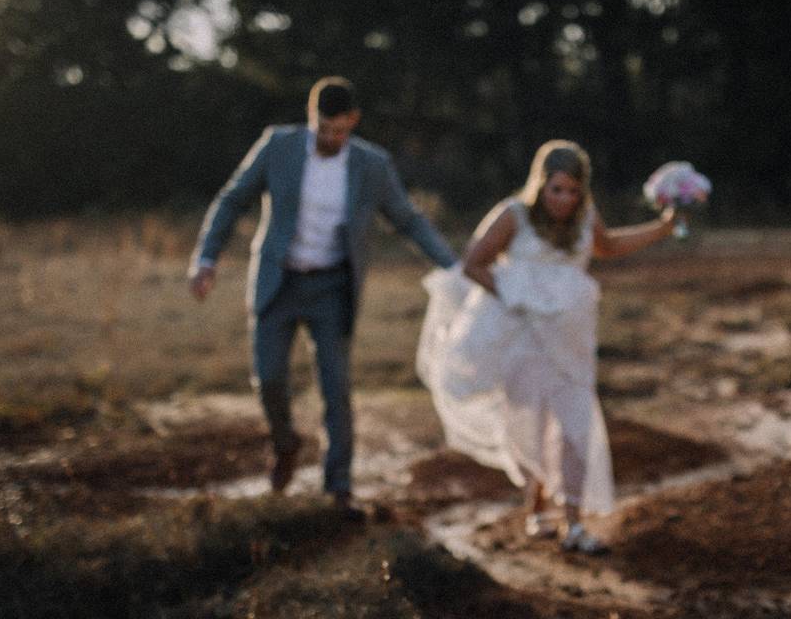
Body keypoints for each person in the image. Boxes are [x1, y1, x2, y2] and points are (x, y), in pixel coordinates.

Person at [189, 76, 457, 515]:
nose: (331, 138)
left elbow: (408, 220)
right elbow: (232, 199)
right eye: (323, 129)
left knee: (336, 386)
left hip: (332, 287)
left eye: (340, 130)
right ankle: (286, 443)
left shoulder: (372, 164)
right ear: (311, 118)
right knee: (269, 379)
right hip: (279, 281)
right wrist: (206, 259)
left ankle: (339, 489)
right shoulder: (278, 146)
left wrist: (454, 268)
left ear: (353, 121)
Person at [417, 140, 676, 552]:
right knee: (532, 427)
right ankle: (536, 508)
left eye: (572, 191)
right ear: (541, 185)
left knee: (576, 425)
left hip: (571, 342)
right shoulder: (514, 215)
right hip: (523, 341)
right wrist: (515, 297)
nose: (564, 199)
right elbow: (473, 262)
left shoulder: (585, 218)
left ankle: (574, 524)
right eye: (557, 189)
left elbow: (608, 247)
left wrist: (663, 227)